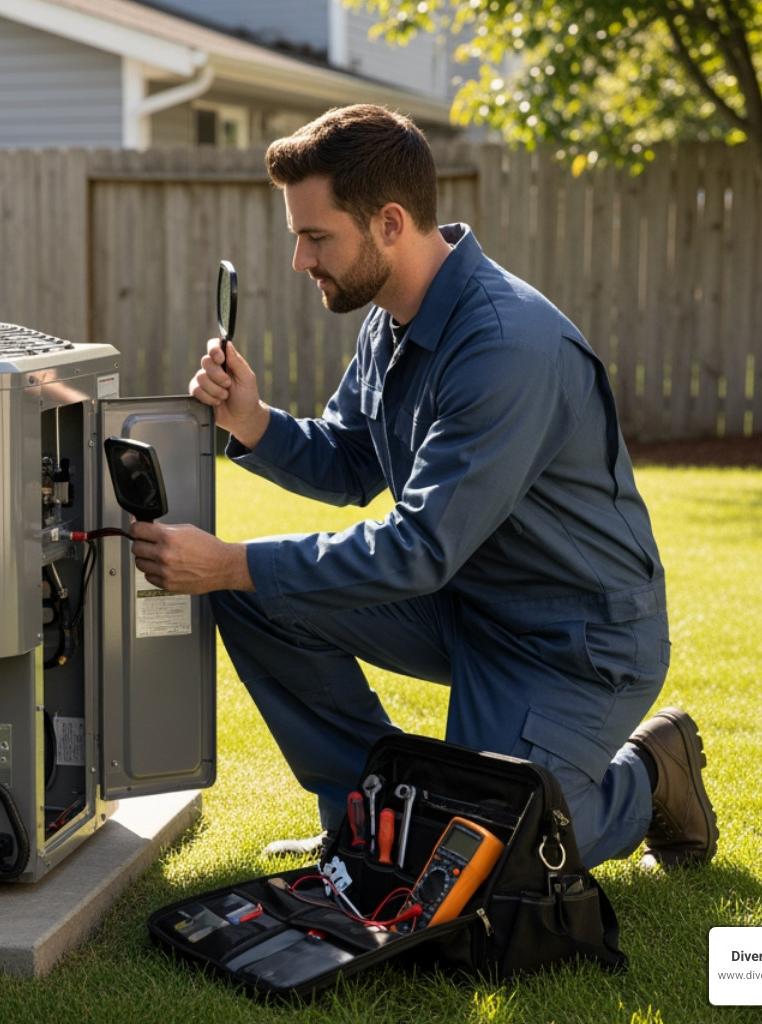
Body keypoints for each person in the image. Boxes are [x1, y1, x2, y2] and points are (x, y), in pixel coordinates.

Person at [127, 104, 716, 870]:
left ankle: (650, 774)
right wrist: (253, 421)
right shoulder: (393, 319)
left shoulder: (506, 348)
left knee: (469, 862)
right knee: (255, 593)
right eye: (297, 238)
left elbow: (418, 549)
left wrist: (230, 559)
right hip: (468, 603)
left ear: (390, 223)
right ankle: (364, 821)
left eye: (316, 237)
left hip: (573, 640)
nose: (300, 262)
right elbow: (348, 459)